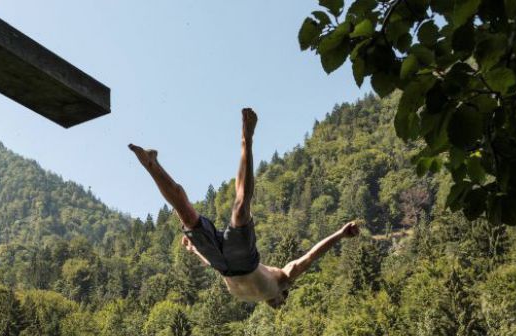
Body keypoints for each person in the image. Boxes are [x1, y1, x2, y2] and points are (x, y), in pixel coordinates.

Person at [130, 108, 360, 309]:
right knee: (240, 208)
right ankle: (246, 139)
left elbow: (214, 265)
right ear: (283, 295)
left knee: (187, 215)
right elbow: (311, 256)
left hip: (224, 266)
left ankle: (151, 164)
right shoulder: (283, 279)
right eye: (282, 303)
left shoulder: (249, 295)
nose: (278, 306)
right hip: (245, 261)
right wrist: (340, 234)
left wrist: (194, 250)